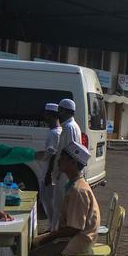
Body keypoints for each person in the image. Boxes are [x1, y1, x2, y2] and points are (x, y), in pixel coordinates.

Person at [28, 141, 101, 256]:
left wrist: (47, 237)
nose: (59, 161)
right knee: (36, 249)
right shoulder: (74, 184)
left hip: (79, 239)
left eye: (63, 158)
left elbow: (74, 228)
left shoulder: (78, 190)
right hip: (73, 235)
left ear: (74, 163)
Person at [51, 97, 84, 229]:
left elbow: (68, 154)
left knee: (60, 205)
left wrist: (59, 171)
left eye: (60, 110)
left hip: (66, 172)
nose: (58, 114)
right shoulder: (70, 126)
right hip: (66, 172)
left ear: (65, 111)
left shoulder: (70, 128)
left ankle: (56, 234)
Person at [39, 103, 62, 226]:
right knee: (48, 202)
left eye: (46, 115)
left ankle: (53, 229)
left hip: (50, 175)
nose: (44, 117)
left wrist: (48, 175)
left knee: (50, 203)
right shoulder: (54, 132)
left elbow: (53, 155)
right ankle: (52, 227)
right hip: (48, 173)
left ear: (52, 116)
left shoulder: (55, 133)